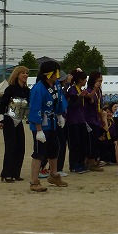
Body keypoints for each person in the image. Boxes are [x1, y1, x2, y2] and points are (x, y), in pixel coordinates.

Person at [27, 60, 69, 192]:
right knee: (39, 152)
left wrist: (59, 115)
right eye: (57, 73)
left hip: (52, 122)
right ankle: (34, 181)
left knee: (54, 148)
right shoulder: (38, 89)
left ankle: (54, 175)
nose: (58, 75)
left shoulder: (56, 85)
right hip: (40, 124)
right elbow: (35, 108)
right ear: (49, 74)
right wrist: (39, 130)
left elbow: (59, 101)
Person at [0, 65, 30, 182]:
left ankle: (16, 173)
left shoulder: (27, 91)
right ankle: (6, 173)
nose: (25, 75)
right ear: (17, 75)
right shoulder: (10, 89)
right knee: (10, 147)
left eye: (26, 73)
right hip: (9, 119)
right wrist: (1, 120)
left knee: (21, 147)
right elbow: (2, 105)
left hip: (19, 120)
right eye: (23, 73)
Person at [65, 70, 90, 174]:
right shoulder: (72, 90)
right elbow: (73, 104)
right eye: (84, 79)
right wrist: (81, 96)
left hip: (81, 120)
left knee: (82, 143)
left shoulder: (80, 90)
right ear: (80, 80)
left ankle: (81, 163)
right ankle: (74, 165)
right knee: (74, 144)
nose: (86, 81)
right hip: (73, 121)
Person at [83, 71, 105, 173]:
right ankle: (91, 162)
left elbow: (99, 106)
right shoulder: (89, 90)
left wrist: (102, 119)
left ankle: (93, 160)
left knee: (95, 141)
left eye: (101, 81)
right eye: (98, 80)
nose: (100, 83)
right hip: (89, 119)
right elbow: (89, 99)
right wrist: (95, 89)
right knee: (91, 141)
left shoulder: (99, 91)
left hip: (96, 118)